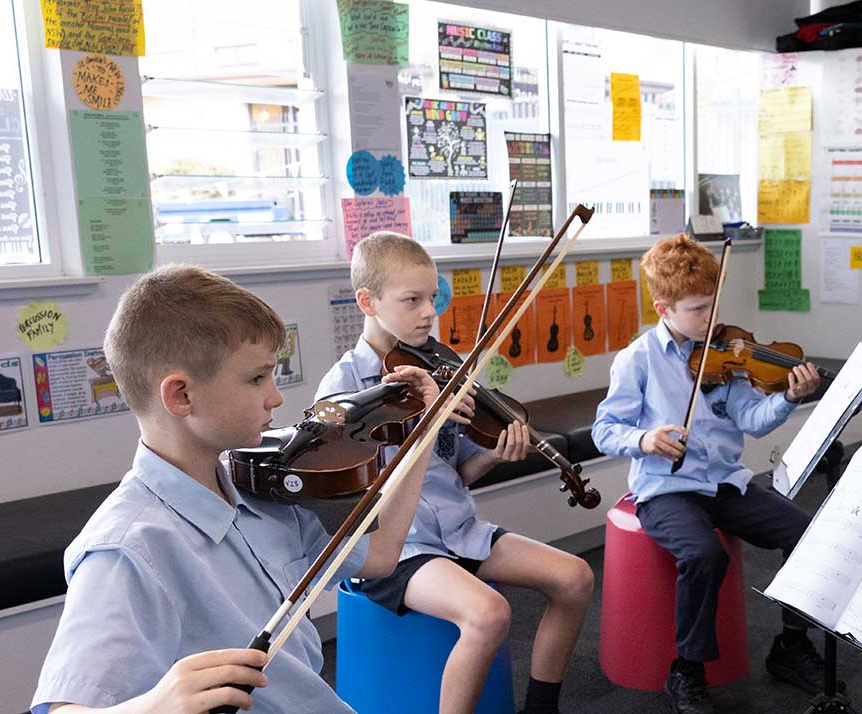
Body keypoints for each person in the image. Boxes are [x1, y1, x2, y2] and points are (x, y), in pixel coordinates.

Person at [32, 265, 435, 714]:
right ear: (181, 396)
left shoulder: (261, 491)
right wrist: (153, 707)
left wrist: (424, 430)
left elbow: (379, 557)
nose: (275, 397)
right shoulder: (130, 548)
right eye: (256, 378)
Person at [320, 232, 594, 714]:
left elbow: (461, 473)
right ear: (367, 301)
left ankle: (541, 707)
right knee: (489, 613)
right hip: (395, 550)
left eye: (432, 298)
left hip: (458, 530)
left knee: (575, 577)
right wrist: (423, 422)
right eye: (412, 300)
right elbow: (341, 495)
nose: (429, 313)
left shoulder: (442, 366)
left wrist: (493, 454)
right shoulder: (343, 386)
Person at [593, 234, 829, 714]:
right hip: (666, 489)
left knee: (809, 533)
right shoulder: (637, 360)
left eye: (714, 304)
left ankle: (789, 644)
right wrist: (644, 439)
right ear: (664, 308)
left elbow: (751, 420)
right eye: (699, 309)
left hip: (723, 482)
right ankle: (688, 669)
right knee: (704, 554)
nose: (712, 318)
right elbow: (605, 429)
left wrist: (787, 398)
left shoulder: (729, 352)